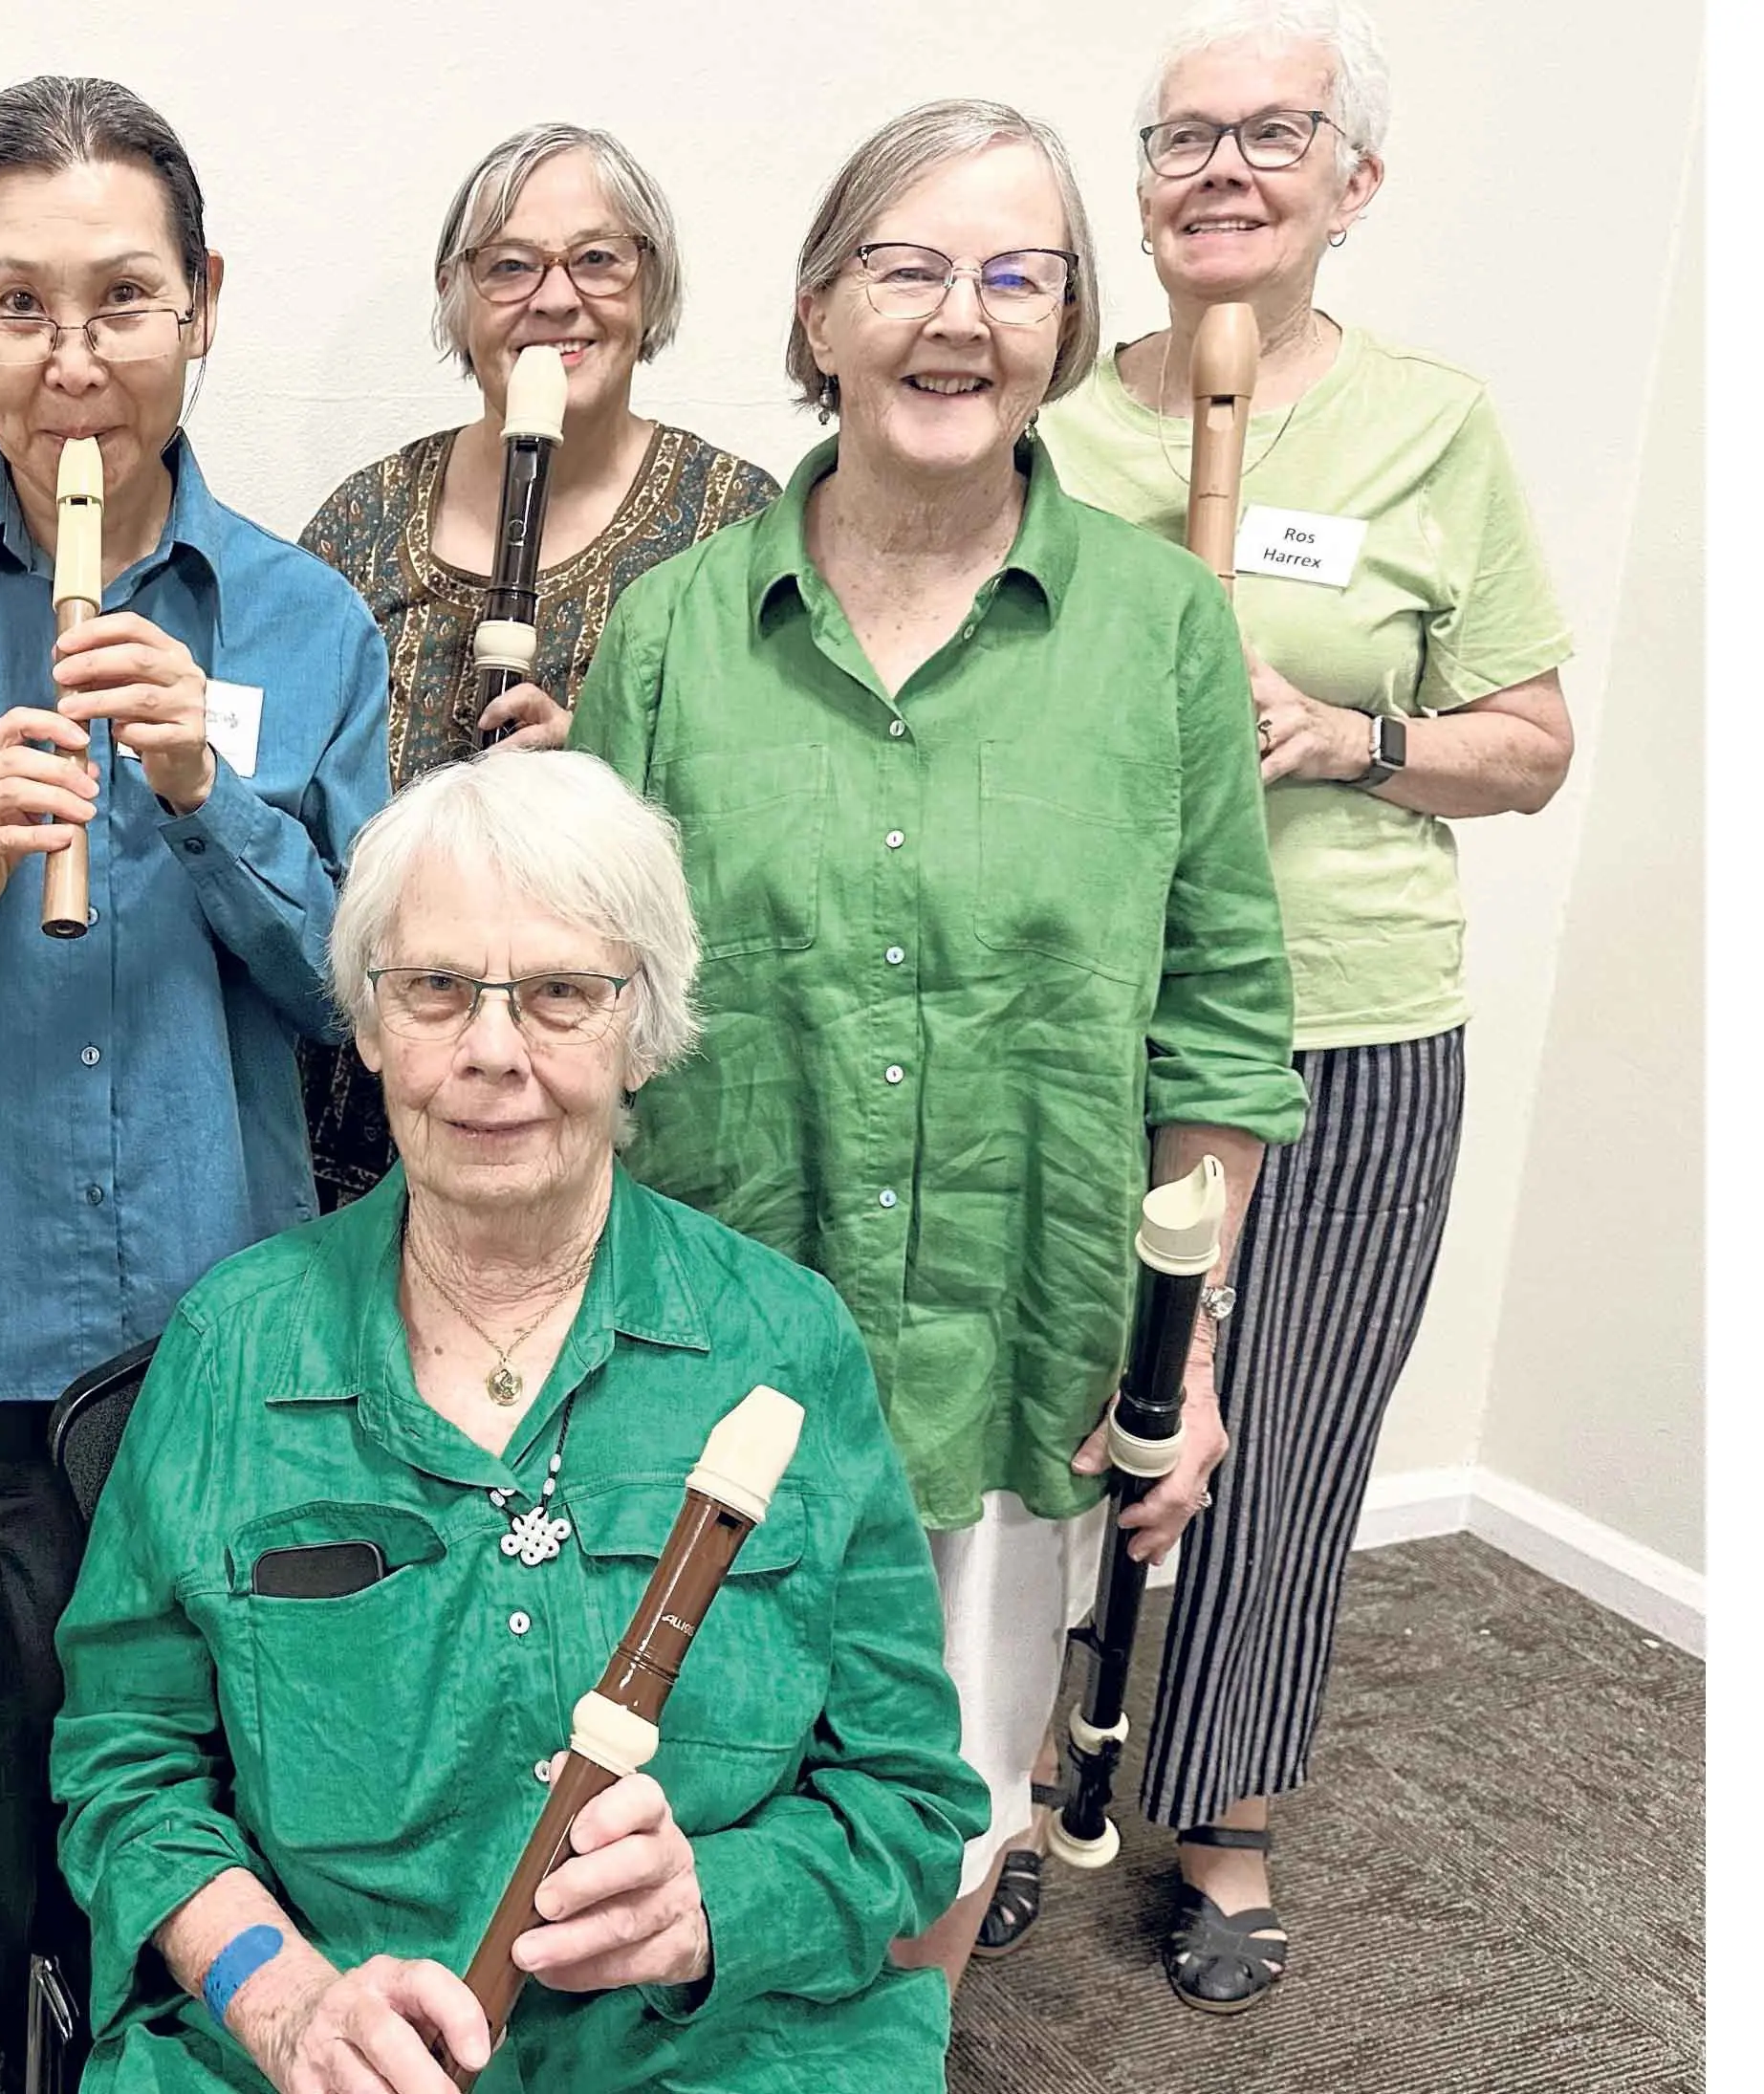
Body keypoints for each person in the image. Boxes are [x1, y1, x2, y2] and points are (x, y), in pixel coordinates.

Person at [568, 98, 1308, 1994]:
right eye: (903, 266)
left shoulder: (1157, 635)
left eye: (1012, 272)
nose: (954, 316)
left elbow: (1220, 1004)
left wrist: (1183, 1341)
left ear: (1064, 328)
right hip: (717, 1340)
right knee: (688, 1784)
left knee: (937, 1809)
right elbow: (586, 1000)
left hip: (1019, 1328)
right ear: (816, 313)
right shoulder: (664, 638)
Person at [0, 73, 391, 2073]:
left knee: (249, 1750)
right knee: (15, 1780)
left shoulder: (304, 617)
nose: (74, 359)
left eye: (123, 300)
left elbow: (358, 990)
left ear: (202, 299)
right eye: (15, 307)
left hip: (239, 1311)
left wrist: (204, 790)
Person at [50, 749, 987, 2094]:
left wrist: (715, 1899)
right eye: (434, 989)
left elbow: (909, 1801)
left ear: (644, 1028)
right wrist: (284, 1997)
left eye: (560, 994)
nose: (492, 1050)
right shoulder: (233, 1346)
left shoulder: (781, 1345)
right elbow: (125, 1771)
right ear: (367, 1024)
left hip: (717, 2052)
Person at [1031, 0, 1574, 2010]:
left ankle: (1224, 1817)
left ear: (1352, 182)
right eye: (1181, 140)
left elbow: (1527, 745)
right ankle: (1026, 1767)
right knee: (1073, 1402)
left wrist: (1346, 736)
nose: (1222, 171)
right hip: (1096, 1008)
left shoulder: (1433, 423)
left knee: (1293, 1423)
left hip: (1349, 1009)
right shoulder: (1053, 422)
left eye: (1273, 135)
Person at [295, 123, 781, 1211]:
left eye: (598, 260)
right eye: (509, 266)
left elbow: (777, 829)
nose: (554, 298)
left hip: (620, 1129)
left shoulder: (739, 528)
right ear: (455, 296)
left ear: (651, 287)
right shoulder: (361, 524)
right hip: (368, 1116)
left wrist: (604, 770)